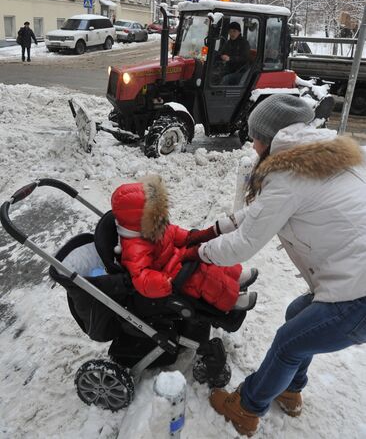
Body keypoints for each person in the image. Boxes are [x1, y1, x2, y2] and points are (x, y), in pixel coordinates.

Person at [192, 94, 366, 436]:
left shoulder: (287, 175)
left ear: (269, 139)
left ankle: (246, 409)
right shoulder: (321, 158)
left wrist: (198, 254)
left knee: (289, 341)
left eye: (255, 136)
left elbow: (244, 244)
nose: (251, 144)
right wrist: (214, 229)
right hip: (355, 280)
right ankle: (289, 388)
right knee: (296, 315)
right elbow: (261, 213)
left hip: (358, 296)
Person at [111, 175, 258, 312]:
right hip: (173, 276)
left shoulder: (154, 226)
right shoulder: (135, 247)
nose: (161, 216)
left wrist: (191, 237)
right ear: (140, 219)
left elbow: (173, 233)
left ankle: (236, 276)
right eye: (155, 213)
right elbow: (142, 277)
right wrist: (165, 283)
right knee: (204, 277)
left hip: (178, 259)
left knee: (208, 257)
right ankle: (232, 300)